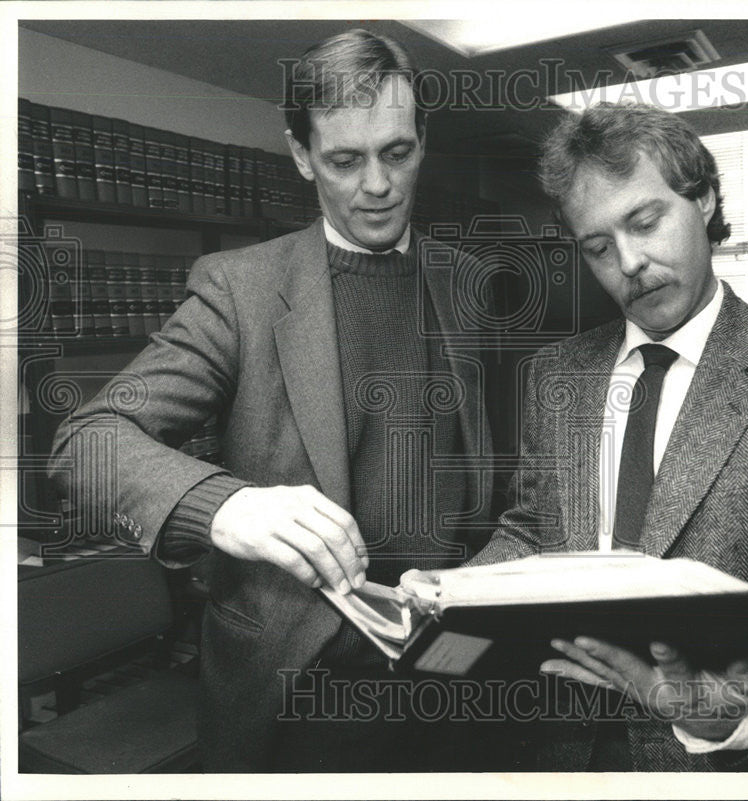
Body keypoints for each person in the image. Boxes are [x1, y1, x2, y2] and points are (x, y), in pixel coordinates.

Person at [48, 29, 498, 772]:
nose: (377, 185)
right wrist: (227, 506)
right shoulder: (239, 289)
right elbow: (86, 439)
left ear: (423, 139)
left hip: (449, 670)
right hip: (297, 690)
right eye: (344, 160)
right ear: (300, 155)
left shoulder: (466, 282)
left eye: (397, 152)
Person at [465, 102, 748, 770]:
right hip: (565, 753)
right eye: (598, 247)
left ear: (705, 196)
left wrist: (730, 704)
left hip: (738, 761)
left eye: (645, 221)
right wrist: (444, 598)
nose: (628, 263)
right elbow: (528, 529)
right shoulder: (556, 372)